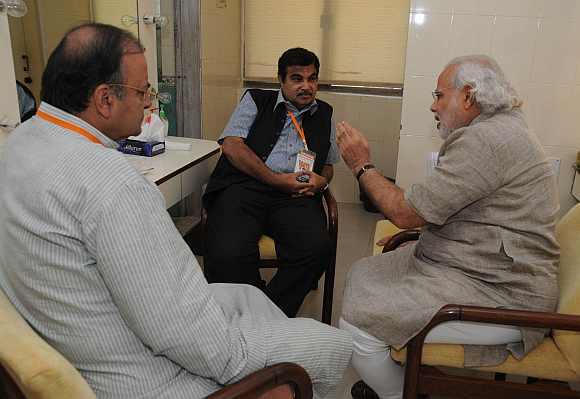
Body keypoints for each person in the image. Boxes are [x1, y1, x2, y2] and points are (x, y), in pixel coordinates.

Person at [0, 24, 352, 398]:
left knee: (250, 296)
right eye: (143, 91)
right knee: (328, 346)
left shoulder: (19, 143)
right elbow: (213, 351)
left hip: (77, 331)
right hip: (143, 378)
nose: (150, 101)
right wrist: (306, 347)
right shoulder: (114, 185)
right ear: (105, 100)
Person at [336, 55, 559, 399]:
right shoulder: (500, 126)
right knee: (364, 272)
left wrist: (361, 164)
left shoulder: (486, 140)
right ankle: (401, 377)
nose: (433, 105)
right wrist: (422, 232)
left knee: (357, 323)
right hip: (480, 269)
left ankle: (400, 392)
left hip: (503, 293)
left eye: (439, 95)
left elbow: (406, 213)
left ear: (468, 96)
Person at [203, 47, 339, 317]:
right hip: (245, 187)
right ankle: (242, 309)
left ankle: (269, 314)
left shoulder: (324, 113)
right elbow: (231, 146)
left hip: (296, 196)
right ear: (281, 80)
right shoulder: (256, 100)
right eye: (297, 78)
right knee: (227, 251)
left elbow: (328, 165)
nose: (306, 86)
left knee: (316, 247)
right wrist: (276, 180)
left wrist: (320, 181)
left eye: (312, 79)